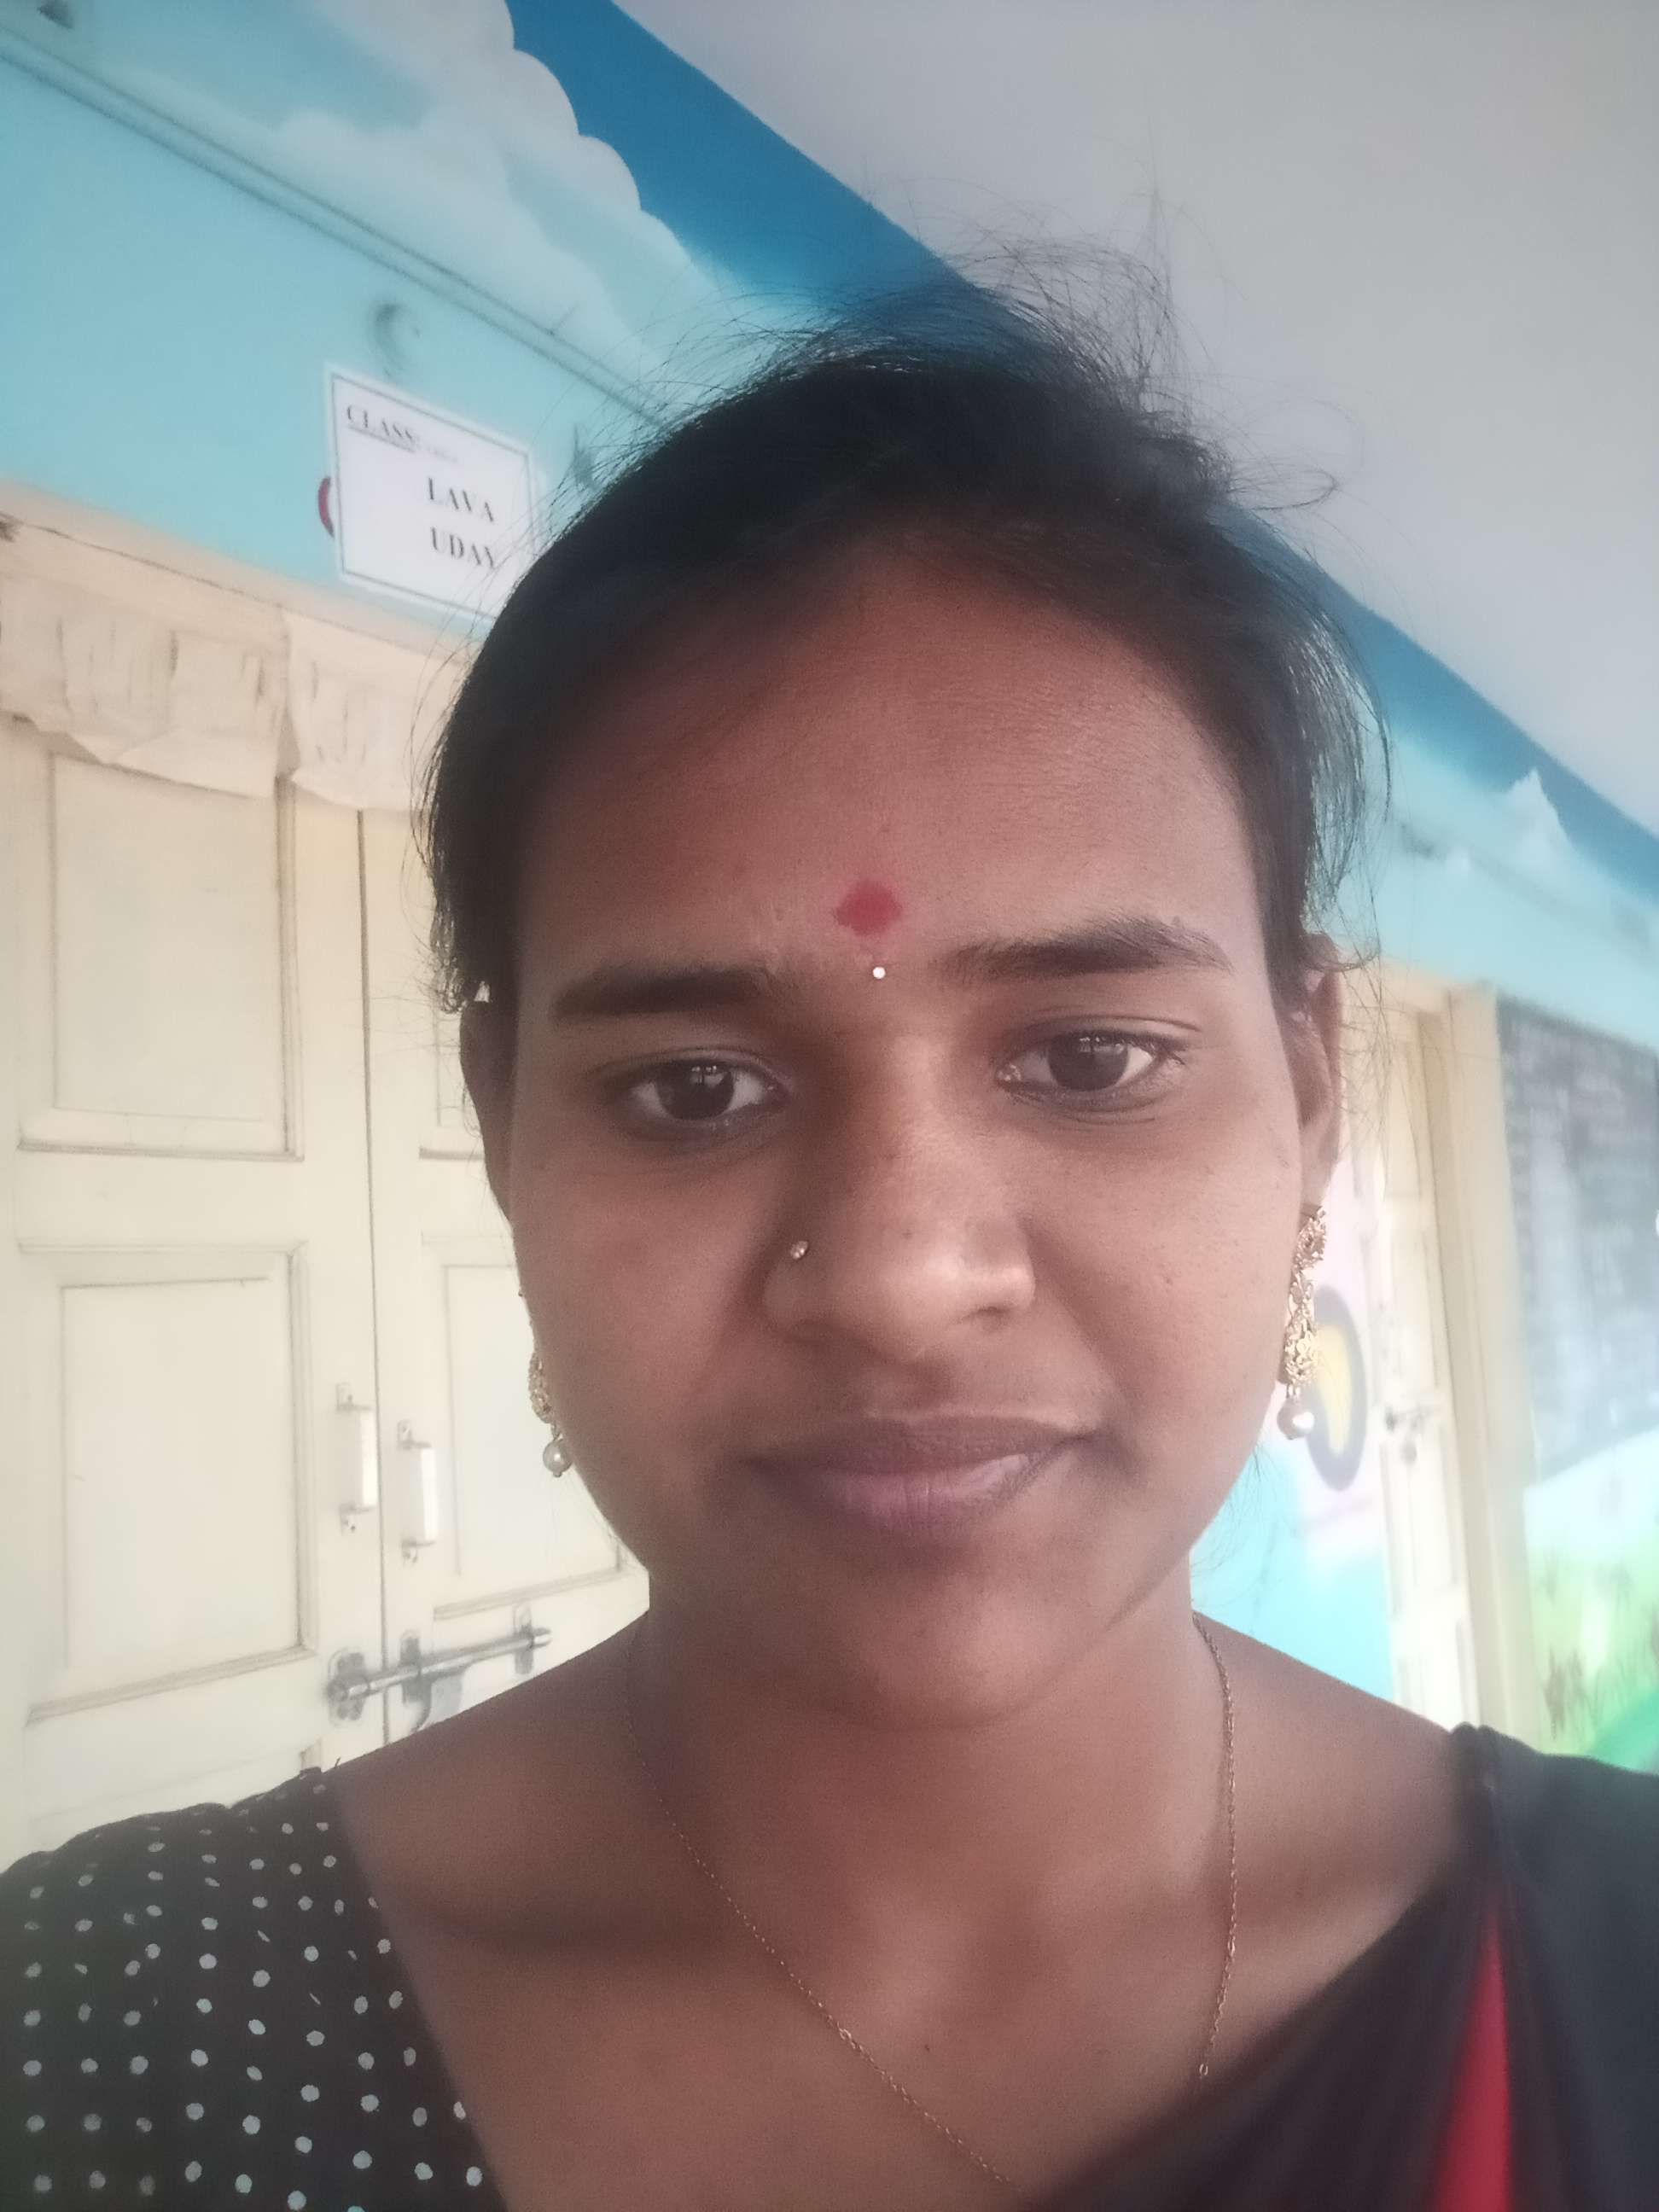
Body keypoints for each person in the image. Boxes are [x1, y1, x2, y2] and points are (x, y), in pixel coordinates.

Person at [3, 296, 1656, 2212]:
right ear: (506, 1124)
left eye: (1089, 1057)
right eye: (694, 1088)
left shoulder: (1619, 1968)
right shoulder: (110, 2053)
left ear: (1307, 1090)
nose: (896, 1277)